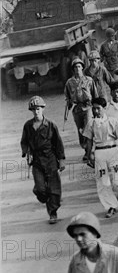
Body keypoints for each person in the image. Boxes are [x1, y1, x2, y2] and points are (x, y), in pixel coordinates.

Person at [20, 96, 65, 224]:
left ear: (43, 109)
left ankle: (53, 213)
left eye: (38, 109)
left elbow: (58, 143)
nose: (36, 112)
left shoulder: (51, 125)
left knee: (54, 188)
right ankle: (44, 196)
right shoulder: (28, 126)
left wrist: (61, 159)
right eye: (33, 109)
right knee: (40, 189)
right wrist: (26, 152)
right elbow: (24, 142)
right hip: (37, 161)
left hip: (50, 159)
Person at [83, 97, 118, 218]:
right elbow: (88, 140)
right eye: (94, 109)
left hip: (113, 151)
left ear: (104, 108)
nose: (96, 111)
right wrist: (89, 155)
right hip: (99, 153)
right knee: (103, 182)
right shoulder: (91, 123)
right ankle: (110, 206)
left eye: (98, 108)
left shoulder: (112, 121)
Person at [64, 58, 98, 159]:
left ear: (82, 67)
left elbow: (95, 95)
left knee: (88, 128)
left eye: (79, 66)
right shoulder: (69, 83)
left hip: (88, 107)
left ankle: (89, 151)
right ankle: (85, 149)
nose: (77, 69)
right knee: (81, 130)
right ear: (73, 69)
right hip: (77, 108)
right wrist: (68, 107)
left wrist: (96, 108)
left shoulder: (89, 80)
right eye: (75, 67)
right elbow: (67, 97)